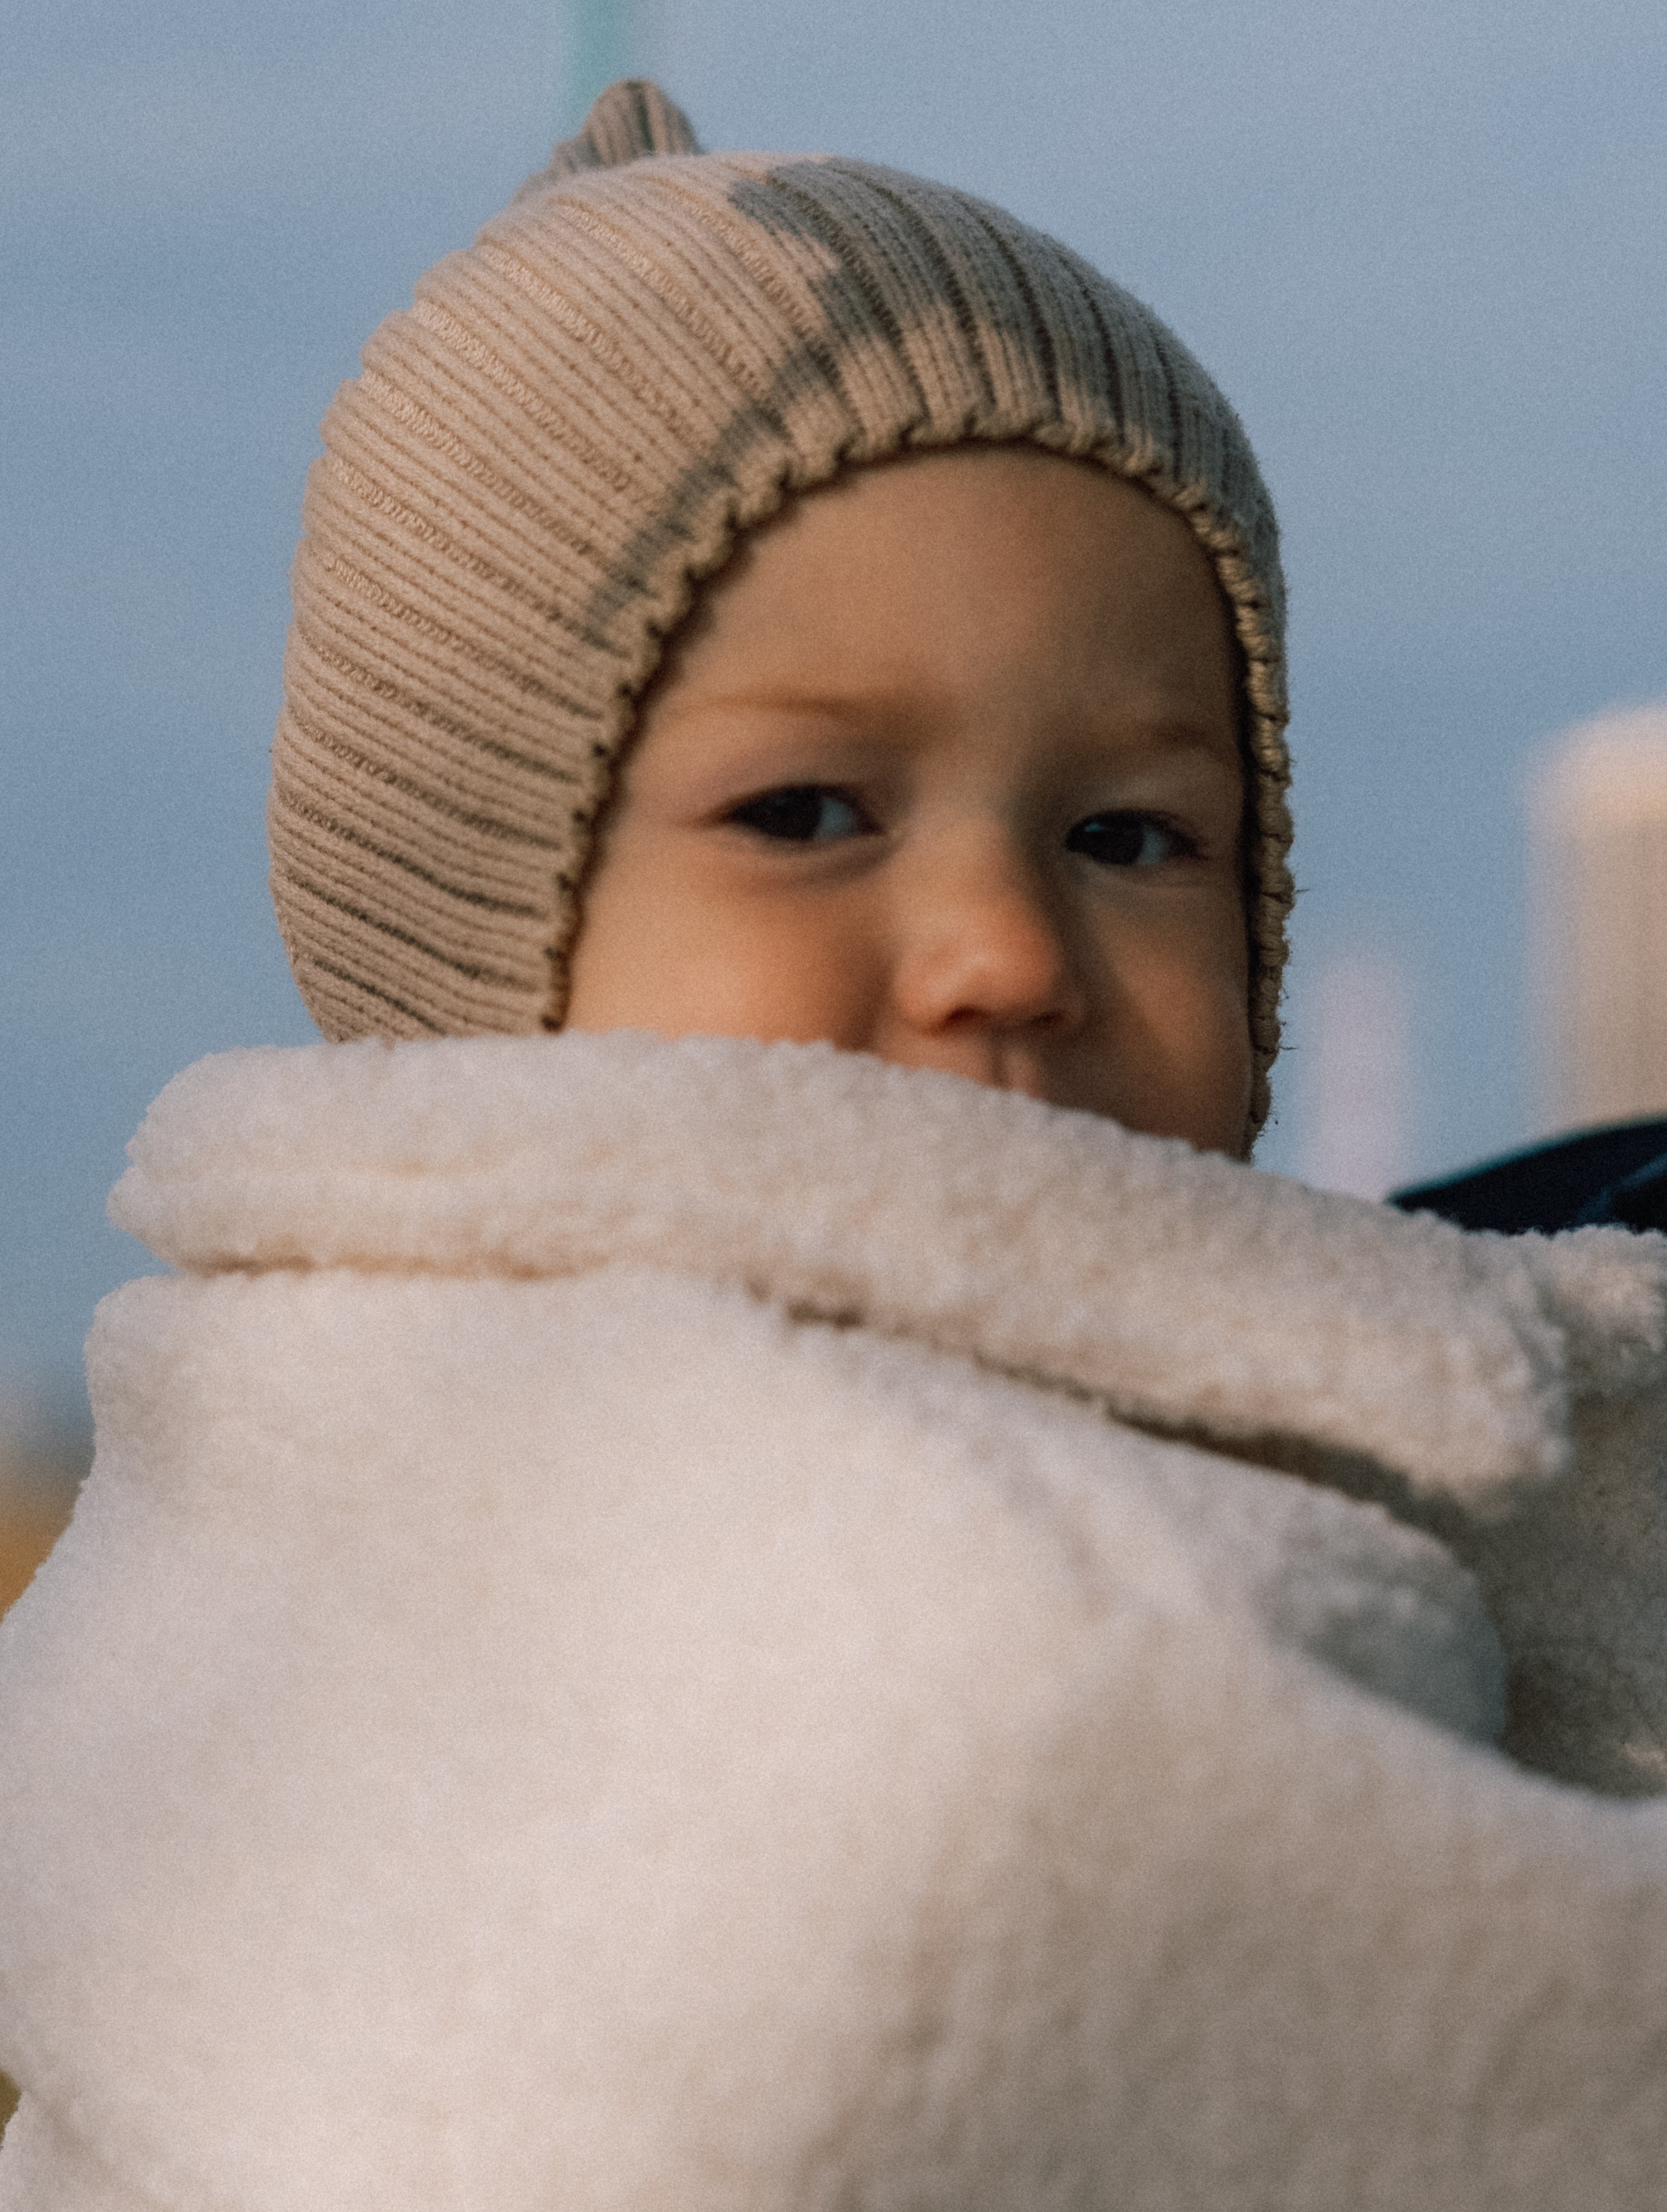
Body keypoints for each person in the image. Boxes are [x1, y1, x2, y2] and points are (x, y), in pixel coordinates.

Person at [3, 79, 1667, 2211]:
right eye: (807, 815)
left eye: (1132, 837)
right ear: (477, 936)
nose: (1002, 950)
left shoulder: (1280, 1391)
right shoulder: (639, 1505)